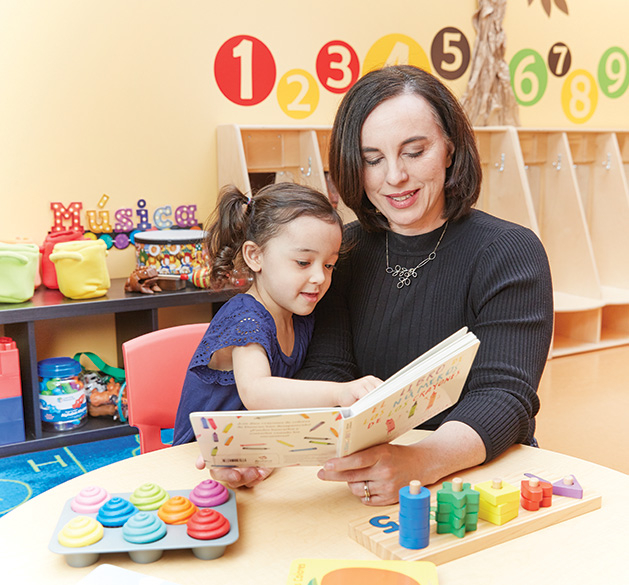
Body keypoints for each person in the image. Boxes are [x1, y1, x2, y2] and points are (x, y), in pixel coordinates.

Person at [209, 64, 554, 504]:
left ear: (449, 148)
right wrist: (270, 452)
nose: (394, 177)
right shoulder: (342, 253)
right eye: (373, 159)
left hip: (476, 481)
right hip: (367, 479)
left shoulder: (510, 251)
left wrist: (420, 462)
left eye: (414, 152)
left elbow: (504, 396)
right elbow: (328, 372)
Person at [172, 181, 380, 445]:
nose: (319, 277)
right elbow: (256, 392)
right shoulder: (245, 316)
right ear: (255, 256)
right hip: (200, 456)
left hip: (256, 448)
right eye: (303, 262)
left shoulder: (300, 315)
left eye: (329, 265)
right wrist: (340, 393)